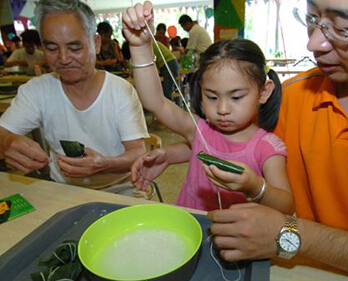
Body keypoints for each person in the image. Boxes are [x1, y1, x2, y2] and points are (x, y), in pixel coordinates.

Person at [207, 0, 348, 280]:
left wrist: (292, 235)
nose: (314, 43)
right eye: (312, 19)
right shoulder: (290, 99)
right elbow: (230, 139)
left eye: (344, 29)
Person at [123, 2, 294, 214]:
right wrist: (140, 47)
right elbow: (155, 102)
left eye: (237, 97)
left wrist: (255, 187)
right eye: (212, 97)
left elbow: (286, 206)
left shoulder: (267, 148)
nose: (222, 109)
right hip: (192, 229)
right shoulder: (199, 130)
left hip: (242, 242)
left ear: (264, 92)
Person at [0, 0, 148, 191]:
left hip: (120, 188)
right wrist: (7, 142)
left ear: (96, 44)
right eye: (52, 48)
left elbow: (138, 152)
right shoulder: (37, 90)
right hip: (64, 190)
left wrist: (104, 164)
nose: (63, 59)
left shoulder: (120, 91)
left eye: (75, 48)